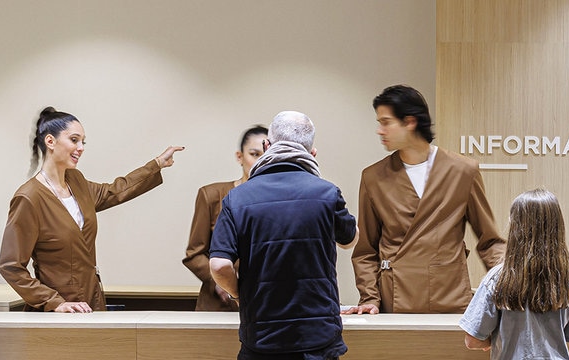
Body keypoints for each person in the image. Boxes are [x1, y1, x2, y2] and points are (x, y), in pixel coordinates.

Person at [0, 106, 183, 313]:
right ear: (50, 141)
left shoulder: (76, 182)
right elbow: (10, 265)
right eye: (74, 140)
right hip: (57, 312)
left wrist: (156, 164)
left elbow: (114, 191)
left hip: (91, 300)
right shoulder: (29, 197)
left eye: (83, 142)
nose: (81, 147)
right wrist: (54, 302)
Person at [347, 84, 506, 315]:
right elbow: (365, 250)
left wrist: (506, 289)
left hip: (451, 297)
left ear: (410, 122)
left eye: (385, 122)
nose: (380, 131)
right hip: (396, 300)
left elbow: (490, 241)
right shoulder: (373, 177)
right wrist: (369, 298)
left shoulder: (462, 171)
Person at [209, 111, 356, 359]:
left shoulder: (237, 198)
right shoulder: (327, 193)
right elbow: (350, 240)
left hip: (262, 340)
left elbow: (219, 265)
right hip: (317, 339)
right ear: (312, 153)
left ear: (267, 146)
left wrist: (239, 294)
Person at [459, 189, 569, 359]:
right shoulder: (566, 279)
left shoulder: (498, 278)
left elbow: (473, 340)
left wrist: (495, 339)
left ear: (516, 228)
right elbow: (567, 335)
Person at [182, 125, 267, 311]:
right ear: (240, 156)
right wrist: (220, 281)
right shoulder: (212, 195)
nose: (261, 161)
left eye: (266, 155)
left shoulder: (279, 200)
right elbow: (194, 254)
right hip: (218, 304)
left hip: (263, 303)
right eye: (254, 154)